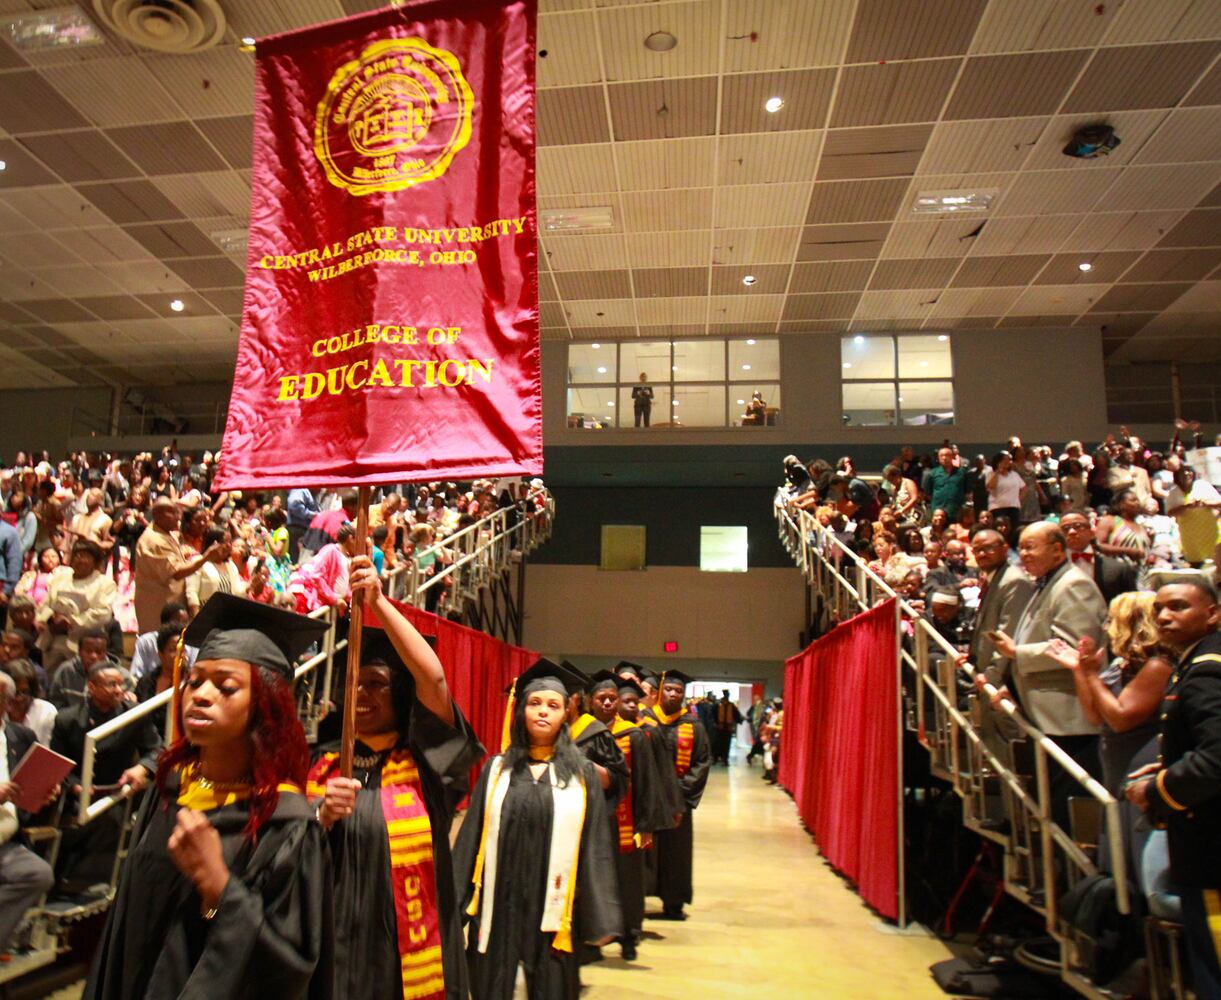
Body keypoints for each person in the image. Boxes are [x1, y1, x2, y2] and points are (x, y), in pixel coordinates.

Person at [83, 593, 333, 1000]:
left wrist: (219, 890)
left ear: (264, 706)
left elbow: (290, 970)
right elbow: (124, 929)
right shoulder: (168, 793)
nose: (199, 695)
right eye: (195, 681)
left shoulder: (286, 826)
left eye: (226, 686)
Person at [310, 559, 483, 1000]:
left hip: (399, 961)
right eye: (354, 684)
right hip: (330, 951)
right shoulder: (321, 766)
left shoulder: (426, 766)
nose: (362, 694)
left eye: (377, 683)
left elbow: (436, 680)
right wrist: (319, 816)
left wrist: (379, 604)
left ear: (401, 694)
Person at [452, 659, 621, 1000]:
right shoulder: (496, 771)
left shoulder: (581, 774)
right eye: (535, 703)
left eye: (553, 705)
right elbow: (471, 840)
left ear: (565, 716)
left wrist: (600, 913)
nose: (543, 712)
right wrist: (453, 906)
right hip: (499, 905)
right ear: (521, 712)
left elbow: (595, 845)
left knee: (553, 986)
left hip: (554, 910)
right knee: (490, 985)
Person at [1124, 580, 1221, 997]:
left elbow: (1217, 759)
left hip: (1212, 848)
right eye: (1159, 609)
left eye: (1179, 607)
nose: (1164, 616)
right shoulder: (1196, 661)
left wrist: (1157, 790)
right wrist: (1171, 765)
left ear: (1213, 613)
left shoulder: (1207, 670)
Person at [988, 523, 1107, 830]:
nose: (1024, 554)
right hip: (1046, 716)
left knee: (1068, 814)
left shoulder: (1073, 585)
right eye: (1022, 547)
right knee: (1050, 807)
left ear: (1057, 549)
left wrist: (1017, 654)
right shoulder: (1047, 582)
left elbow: (1074, 648)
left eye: (1031, 546)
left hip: (1069, 720)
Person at [1045, 592, 1173, 875]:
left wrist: (1090, 674)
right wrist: (1079, 671)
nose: (1106, 627)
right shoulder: (1121, 665)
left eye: (1111, 620)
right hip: (1115, 766)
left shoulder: (1158, 666)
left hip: (1138, 763)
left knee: (1141, 860)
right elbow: (1094, 715)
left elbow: (1120, 718)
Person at [587, 671, 675, 961]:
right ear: (591, 702)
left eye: (613, 698)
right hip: (591, 821)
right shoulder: (581, 734)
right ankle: (594, 938)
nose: (609, 703)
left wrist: (646, 823)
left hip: (624, 820)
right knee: (595, 879)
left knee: (627, 880)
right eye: (602, 698)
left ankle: (628, 935)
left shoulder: (634, 735)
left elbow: (647, 782)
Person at [641, 669, 711, 920]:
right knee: (645, 851)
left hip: (677, 802)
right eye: (669, 689)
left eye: (678, 691)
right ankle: (638, 901)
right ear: (660, 692)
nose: (673, 694)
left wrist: (680, 796)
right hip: (647, 799)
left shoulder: (692, 725)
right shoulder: (645, 720)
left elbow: (702, 762)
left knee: (676, 853)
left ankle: (674, 904)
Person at [0, 672, 55, 951]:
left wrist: (45, 790)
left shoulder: (20, 736)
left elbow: (37, 774)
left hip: (6, 843)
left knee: (38, 873)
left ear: (7, 703)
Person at [133, 497, 225, 634]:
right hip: (157, 609)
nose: (178, 517)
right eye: (172, 513)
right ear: (157, 515)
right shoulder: (154, 540)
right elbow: (177, 572)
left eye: (178, 512)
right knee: (159, 648)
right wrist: (206, 557)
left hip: (172, 606)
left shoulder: (166, 534)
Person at [36, 539, 116, 674]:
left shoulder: (104, 583)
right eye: (77, 555)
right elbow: (46, 604)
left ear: (95, 561)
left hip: (82, 641)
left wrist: (71, 622)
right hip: (54, 637)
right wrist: (51, 619)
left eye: (85, 556)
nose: (79, 559)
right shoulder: (60, 577)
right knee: (52, 680)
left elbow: (102, 613)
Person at [1059, 511, 1138, 605]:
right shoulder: (1050, 570)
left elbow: (1132, 608)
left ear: (1091, 532)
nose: (1072, 532)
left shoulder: (1120, 569)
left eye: (1078, 526)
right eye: (1065, 528)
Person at [288, 523, 358, 615]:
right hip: (309, 598)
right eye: (357, 541)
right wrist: (334, 599)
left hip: (330, 605)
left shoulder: (348, 558)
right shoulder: (331, 550)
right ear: (350, 538)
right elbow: (316, 577)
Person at [131, 601, 195, 681]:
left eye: (186, 622)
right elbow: (136, 674)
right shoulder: (146, 641)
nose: (185, 626)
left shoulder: (191, 643)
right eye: (181, 622)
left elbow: (194, 671)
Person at [3, 659, 56, 745]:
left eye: (24, 692)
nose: (19, 699)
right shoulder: (1, 710)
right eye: (15, 693)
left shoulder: (46, 712)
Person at [1094, 489, 1151, 563]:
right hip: (1116, 569)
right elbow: (1098, 545)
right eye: (1133, 500)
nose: (1137, 503)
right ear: (1121, 505)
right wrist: (1127, 551)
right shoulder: (1110, 521)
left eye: (1138, 500)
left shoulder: (1142, 527)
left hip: (1141, 571)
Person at [922, 447, 968, 520]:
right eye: (941, 455)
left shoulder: (962, 472)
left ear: (952, 456)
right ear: (938, 458)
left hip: (957, 511)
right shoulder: (932, 473)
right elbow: (927, 493)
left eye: (947, 455)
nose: (944, 458)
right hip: (938, 511)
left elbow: (967, 491)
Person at [711, 689, 742, 765]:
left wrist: (740, 720)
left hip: (727, 728)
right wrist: (714, 722)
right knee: (718, 743)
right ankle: (716, 758)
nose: (726, 696)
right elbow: (712, 714)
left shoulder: (731, 705)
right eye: (726, 694)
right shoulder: (718, 705)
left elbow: (736, 715)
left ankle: (724, 759)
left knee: (726, 744)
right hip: (719, 727)